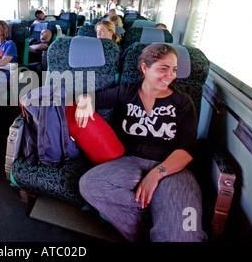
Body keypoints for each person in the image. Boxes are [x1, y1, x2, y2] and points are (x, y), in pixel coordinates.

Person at [76, 43, 204, 242]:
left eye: (174, 70)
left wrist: (156, 174)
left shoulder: (183, 102)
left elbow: (186, 150)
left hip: (172, 168)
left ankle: (168, 221)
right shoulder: (126, 92)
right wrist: (84, 100)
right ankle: (155, 222)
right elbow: (91, 98)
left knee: (183, 233)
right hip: (129, 162)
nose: (170, 76)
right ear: (145, 68)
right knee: (89, 184)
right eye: (163, 68)